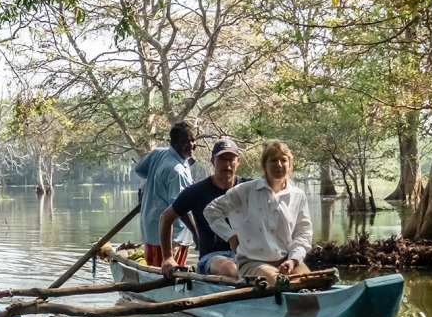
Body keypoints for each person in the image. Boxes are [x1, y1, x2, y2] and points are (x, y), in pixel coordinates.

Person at [203, 139, 312, 282]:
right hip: (252, 262)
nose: (279, 165)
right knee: (279, 282)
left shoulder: (298, 195)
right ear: (264, 165)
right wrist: (230, 236)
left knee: (310, 283)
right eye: (273, 160)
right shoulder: (246, 190)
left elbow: (303, 234)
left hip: (287, 261)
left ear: (290, 163)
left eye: (283, 160)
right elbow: (211, 211)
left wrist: (293, 260)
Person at [158, 137, 242, 278]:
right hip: (213, 257)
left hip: (246, 254)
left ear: (238, 162)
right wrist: (168, 257)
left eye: (231, 159)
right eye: (222, 159)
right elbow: (166, 218)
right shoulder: (197, 191)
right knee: (231, 271)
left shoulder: (247, 188)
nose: (227, 164)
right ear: (212, 161)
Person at [133, 120, 197, 267]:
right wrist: (196, 234)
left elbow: (140, 170)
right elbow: (181, 209)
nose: (191, 145)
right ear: (174, 143)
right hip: (170, 238)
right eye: (185, 142)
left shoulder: (158, 153)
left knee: (155, 271)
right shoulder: (176, 171)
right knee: (166, 272)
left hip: (151, 229)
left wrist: (157, 182)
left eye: (193, 140)